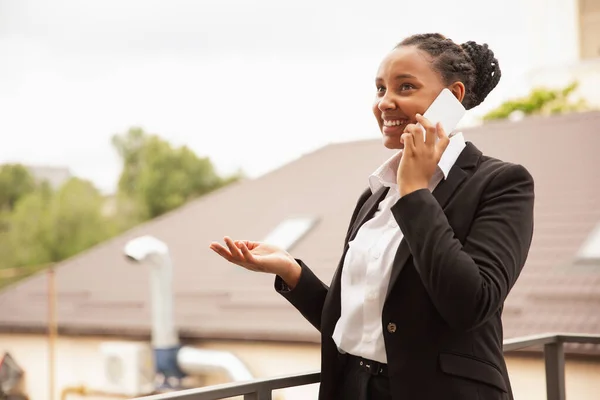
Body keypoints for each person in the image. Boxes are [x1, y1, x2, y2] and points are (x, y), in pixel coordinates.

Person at [210, 32, 535, 400]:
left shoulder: (502, 183)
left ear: (452, 98)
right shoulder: (376, 193)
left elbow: (469, 305)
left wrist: (414, 192)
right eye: (380, 89)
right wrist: (291, 272)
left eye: (405, 87)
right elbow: (360, 325)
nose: (385, 102)